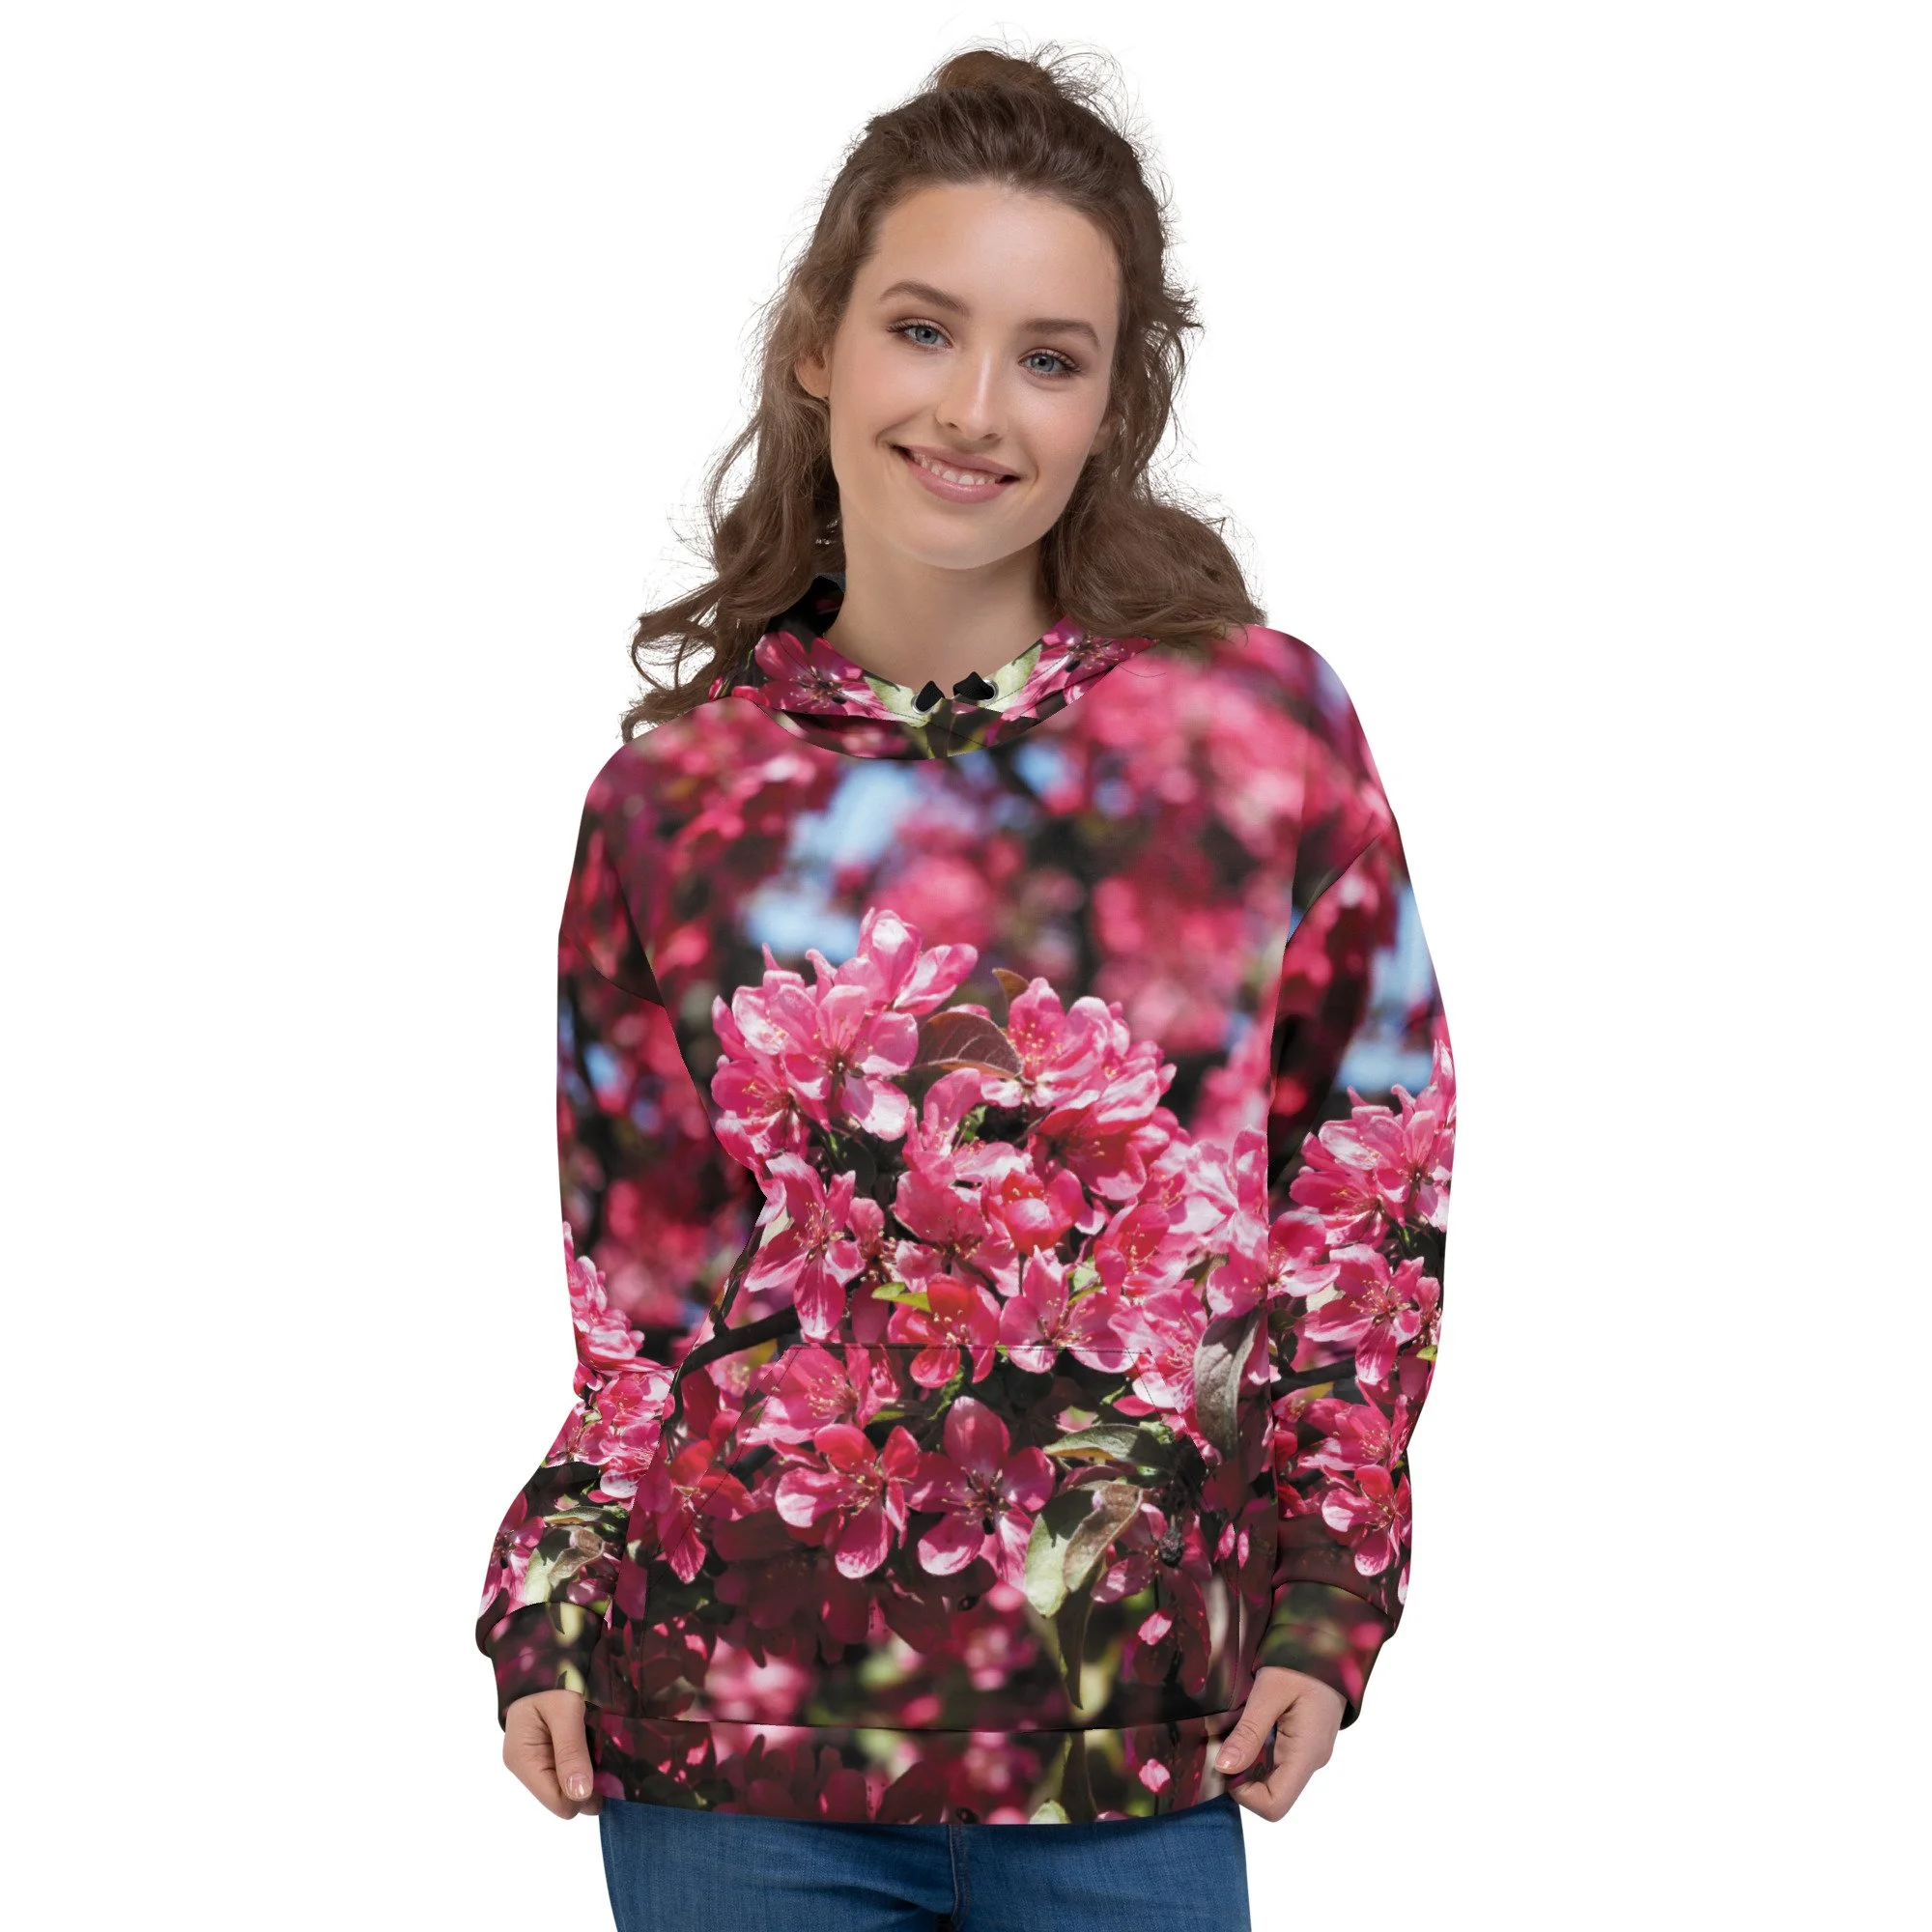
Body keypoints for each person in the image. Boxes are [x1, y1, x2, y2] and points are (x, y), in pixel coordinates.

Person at [473, 39, 1453, 1932]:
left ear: (1113, 404)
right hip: (724, 1756)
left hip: (1133, 1746)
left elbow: (1370, 1178)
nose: (974, 408)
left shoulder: (1257, 734)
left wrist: (1332, 1587)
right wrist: (556, 1593)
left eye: (1049, 356)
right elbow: (641, 1301)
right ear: (818, 347)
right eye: (923, 329)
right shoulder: (672, 799)